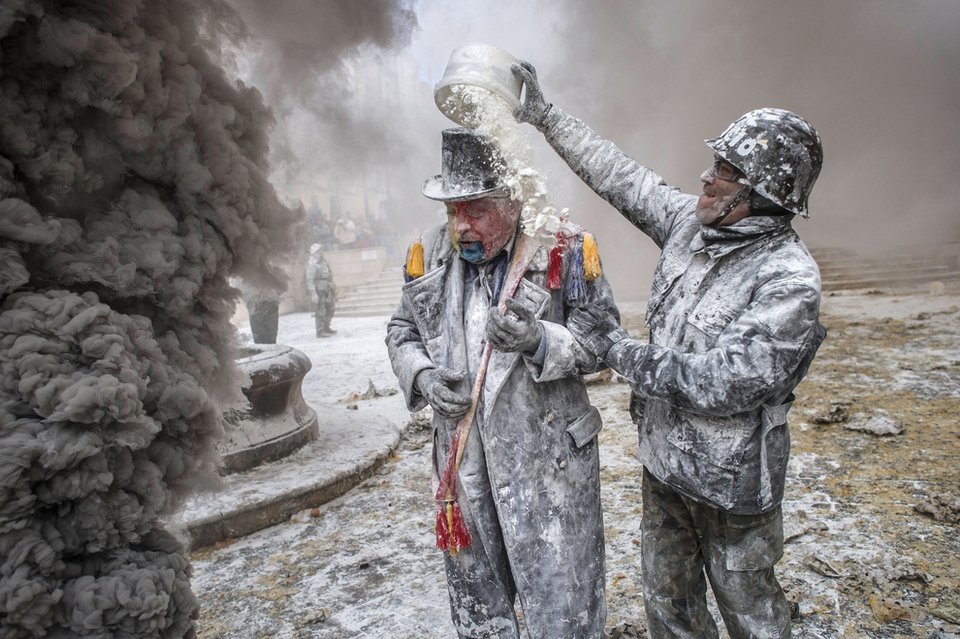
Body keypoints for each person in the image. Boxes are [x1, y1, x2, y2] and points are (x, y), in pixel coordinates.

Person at [512, 61, 826, 639]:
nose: (706, 178)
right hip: (665, 468)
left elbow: (727, 382)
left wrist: (618, 351)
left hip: (733, 487)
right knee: (669, 608)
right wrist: (545, 117)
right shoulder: (690, 223)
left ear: (760, 194)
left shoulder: (788, 279)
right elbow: (620, 176)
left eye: (725, 172)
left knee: (750, 614)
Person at [385, 128, 620, 638]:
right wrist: (423, 376)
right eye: (452, 210)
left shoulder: (565, 247)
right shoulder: (428, 252)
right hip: (463, 468)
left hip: (548, 462)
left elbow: (602, 341)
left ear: (513, 200)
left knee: (563, 604)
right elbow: (401, 331)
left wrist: (539, 340)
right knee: (478, 606)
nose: (460, 226)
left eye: (476, 210)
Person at [305, 243, 336, 337]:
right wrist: (313, 294)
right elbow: (309, 280)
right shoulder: (312, 264)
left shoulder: (323, 261)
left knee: (331, 308)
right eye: (319, 250)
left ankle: (327, 327)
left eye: (321, 250)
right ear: (314, 252)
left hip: (327, 288)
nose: (321, 252)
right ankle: (320, 331)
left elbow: (328, 273)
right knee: (320, 311)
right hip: (319, 289)